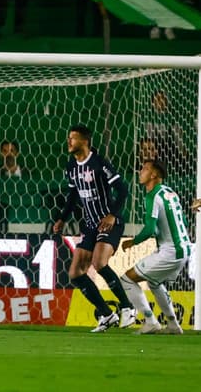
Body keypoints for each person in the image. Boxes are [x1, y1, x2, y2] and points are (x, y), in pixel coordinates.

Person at [52, 124, 136, 332]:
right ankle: (107, 314)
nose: (68, 142)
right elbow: (73, 195)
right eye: (69, 138)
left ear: (84, 141)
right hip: (90, 224)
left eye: (72, 138)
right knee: (75, 273)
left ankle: (128, 308)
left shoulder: (99, 163)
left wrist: (112, 215)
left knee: (99, 263)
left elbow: (123, 190)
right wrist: (62, 218)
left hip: (109, 221)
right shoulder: (71, 165)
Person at [119, 160, 190, 334]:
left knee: (127, 279)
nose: (140, 172)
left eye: (144, 169)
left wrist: (132, 242)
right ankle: (173, 324)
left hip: (171, 252)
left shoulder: (152, 196)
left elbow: (150, 229)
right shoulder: (170, 192)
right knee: (154, 282)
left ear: (154, 175)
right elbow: (184, 221)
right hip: (184, 248)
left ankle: (150, 321)